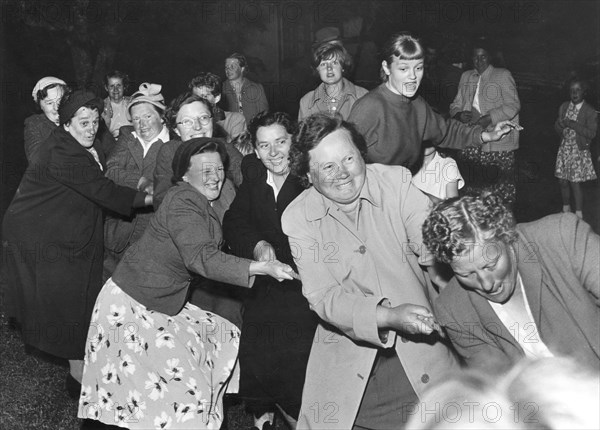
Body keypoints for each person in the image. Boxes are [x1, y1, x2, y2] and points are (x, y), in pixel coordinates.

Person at [77, 137, 295, 429]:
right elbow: (200, 257)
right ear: (183, 175)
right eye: (205, 171)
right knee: (177, 399)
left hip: (159, 302)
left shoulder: (203, 200)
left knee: (217, 340)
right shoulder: (183, 200)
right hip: (130, 306)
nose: (215, 176)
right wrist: (261, 266)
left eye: (218, 169)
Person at [281, 114, 458, 429]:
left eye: (349, 158)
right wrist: (388, 316)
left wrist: (449, 284)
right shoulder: (297, 218)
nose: (343, 173)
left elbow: (431, 246)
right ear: (308, 175)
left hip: (423, 345)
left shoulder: (397, 182)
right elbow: (324, 297)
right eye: (327, 167)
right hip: (350, 353)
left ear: (361, 153)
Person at [2, 89, 152, 396]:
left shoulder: (82, 144)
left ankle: (81, 376)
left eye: (95, 121)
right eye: (83, 122)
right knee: (69, 306)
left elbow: (107, 175)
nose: (91, 128)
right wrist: (153, 198)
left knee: (80, 302)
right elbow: (104, 191)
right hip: (44, 237)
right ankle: (83, 382)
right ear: (66, 124)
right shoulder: (62, 152)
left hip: (64, 229)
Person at [422, 192, 600, 374]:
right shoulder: (453, 311)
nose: (486, 284)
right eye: (466, 274)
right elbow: (496, 389)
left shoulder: (563, 237)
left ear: (504, 235)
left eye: (490, 265)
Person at [223, 112, 318, 429]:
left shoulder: (312, 178)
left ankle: (297, 414)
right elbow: (235, 222)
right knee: (257, 335)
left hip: (306, 282)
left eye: (280, 142)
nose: (273, 153)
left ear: (295, 142)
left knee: (293, 356)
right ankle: (263, 414)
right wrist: (260, 246)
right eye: (264, 145)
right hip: (266, 280)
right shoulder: (254, 176)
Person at [347, 33, 517, 174]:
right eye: (403, 69)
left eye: (418, 68)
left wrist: (487, 135)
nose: (413, 76)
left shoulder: (417, 104)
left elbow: (446, 131)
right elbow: (344, 156)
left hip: (401, 191)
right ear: (386, 68)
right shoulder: (370, 107)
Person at [103, 82, 171, 279]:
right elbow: (111, 171)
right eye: (136, 119)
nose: (142, 124)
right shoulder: (128, 139)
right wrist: (141, 182)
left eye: (148, 116)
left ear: (162, 116)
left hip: (155, 238)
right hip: (118, 236)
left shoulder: (174, 144)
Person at [449, 38, 521, 205]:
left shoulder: (502, 75)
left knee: (500, 194)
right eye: (475, 57)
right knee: (473, 192)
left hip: (499, 144)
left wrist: (490, 118)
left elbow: (513, 105)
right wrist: (459, 114)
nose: (479, 61)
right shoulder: (466, 76)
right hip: (472, 140)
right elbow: (455, 104)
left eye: (483, 57)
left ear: (489, 57)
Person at [153, 92, 243, 209]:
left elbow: (250, 184)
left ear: (212, 121)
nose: (197, 127)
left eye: (203, 118)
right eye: (187, 121)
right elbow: (161, 200)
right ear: (176, 130)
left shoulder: (225, 149)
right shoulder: (170, 152)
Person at [554, 78, 597, 219]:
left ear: (584, 92)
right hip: (564, 149)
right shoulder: (564, 106)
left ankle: (579, 214)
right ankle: (566, 209)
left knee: (574, 183)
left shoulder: (590, 111)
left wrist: (572, 124)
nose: (574, 93)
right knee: (562, 181)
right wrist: (560, 126)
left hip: (578, 151)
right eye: (572, 90)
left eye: (578, 90)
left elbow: (591, 133)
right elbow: (557, 127)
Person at [298, 40, 368, 120]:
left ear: (343, 67)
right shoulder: (306, 101)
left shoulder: (363, 96)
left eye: (334, 63)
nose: (329, 68)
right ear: (317, 70)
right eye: (323, 64)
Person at [189, 71, 247, 141]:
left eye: (204, 97)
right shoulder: (187, 122)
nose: (198, 102)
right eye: (195, 98)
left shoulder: (235, 120)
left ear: (216, 98)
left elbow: (237, 149)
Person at [24, 76, 67, 163]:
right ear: (40, 106)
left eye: (60, 101)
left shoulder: (75, 119)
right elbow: (37, 159)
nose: (56, 107)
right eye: (49, 103)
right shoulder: (35, 124)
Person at [222, 52, 269, 123]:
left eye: (232, 67)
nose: (228, 70)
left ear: (242, 69)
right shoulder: (220, 89)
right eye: (226, 67)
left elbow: (264, 114)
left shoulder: (256, 88)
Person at [101, 70, 133, 138]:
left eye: (119, 85)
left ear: (124, 87)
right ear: (106, 88)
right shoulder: (101, 107)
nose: (116, 90)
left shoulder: (132, 104)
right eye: (112, 86)